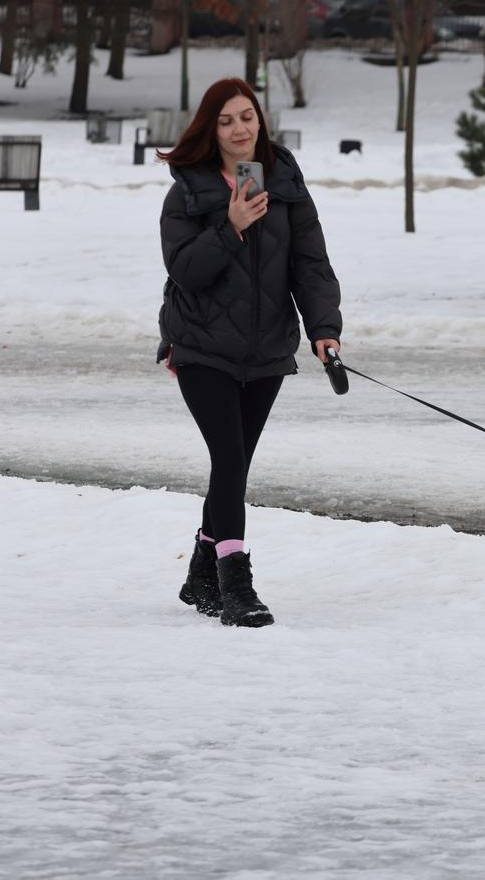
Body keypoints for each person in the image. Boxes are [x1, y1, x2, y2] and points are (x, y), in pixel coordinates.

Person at [155, 78, 342, 628]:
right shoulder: (186, 192)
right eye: (228, 121)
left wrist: (323, 328)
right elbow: (185, 271)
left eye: (248, 117)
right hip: (200, 348)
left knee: (231, 468)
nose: (241, 129)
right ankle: (235, 581)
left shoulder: (282, 182)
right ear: (210, 129)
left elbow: (310, 262)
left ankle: (199, 573)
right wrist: (230, 227)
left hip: (265, 351)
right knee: (230, 460)